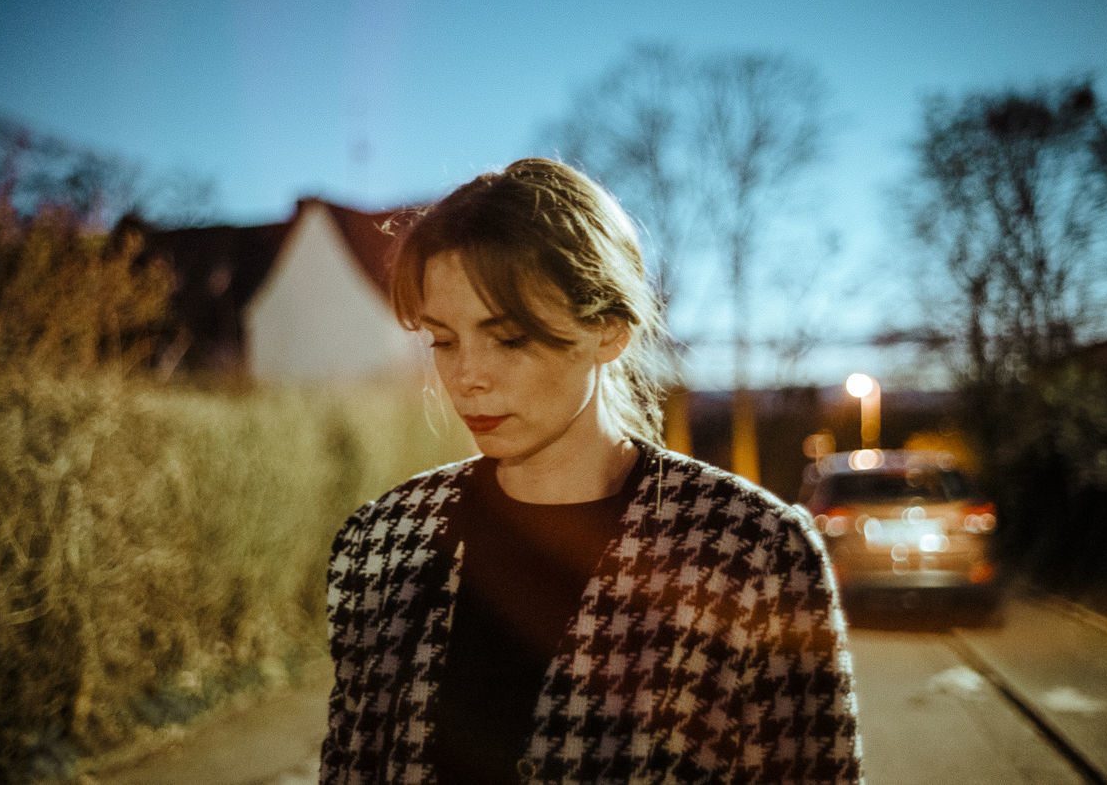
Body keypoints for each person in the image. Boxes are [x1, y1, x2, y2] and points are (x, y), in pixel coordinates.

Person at [320, 158, 862, 784]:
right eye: (444, 340)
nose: (466, 375)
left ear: (608, 330)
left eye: (509, 337)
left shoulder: (755, 551)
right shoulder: (380, 545)